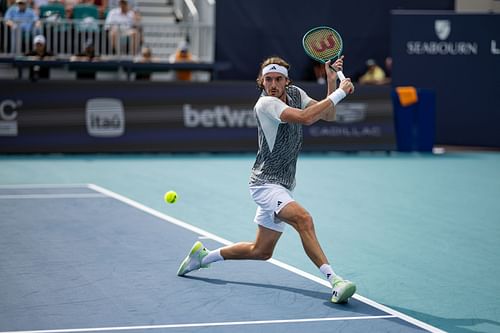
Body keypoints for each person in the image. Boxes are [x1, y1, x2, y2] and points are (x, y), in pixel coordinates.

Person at [176, 55, 358, 304]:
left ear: (286, 81)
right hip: (264, 184)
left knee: (261, 251)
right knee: (303, 219)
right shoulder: (265, 105)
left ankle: (202, 258)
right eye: (268, 79)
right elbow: (305, 118)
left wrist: (329, 83)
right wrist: (340, 93)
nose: (273, 84)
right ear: (261, 82)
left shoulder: (295, 93)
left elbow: (328, 116)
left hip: (283, 185)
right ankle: (335, 281)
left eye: (278, 79)